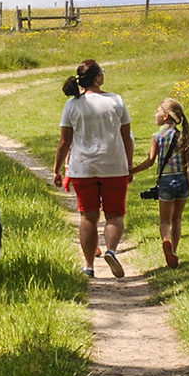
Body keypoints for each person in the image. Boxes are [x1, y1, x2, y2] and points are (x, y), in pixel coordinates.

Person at [52, 59, 133, 278]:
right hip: (114, 166)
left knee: (88, 218)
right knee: (115, 216)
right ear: (98, 78)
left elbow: (64, 142)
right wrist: (130, 165)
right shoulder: (116, 101)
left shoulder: (72, 105)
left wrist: (57, 169)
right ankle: (112, 251)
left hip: (83, 168)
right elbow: (127, 138)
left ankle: (89, 266)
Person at [135, 97, 189, 267]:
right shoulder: (184, 135)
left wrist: (132, 171)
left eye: (158, 111)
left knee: (164, 221)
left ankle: (166, 240)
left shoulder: (157, 136)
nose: (155, 114)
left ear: (166, 117)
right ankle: (174, 252)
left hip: (166, 182)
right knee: (177, 218)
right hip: (184, 181)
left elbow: (149, 161)